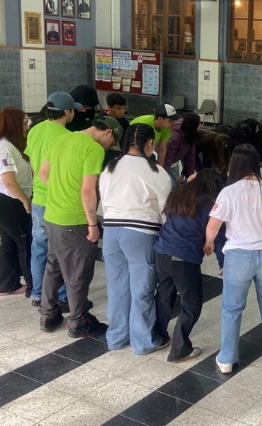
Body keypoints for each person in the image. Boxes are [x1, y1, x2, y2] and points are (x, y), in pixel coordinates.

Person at [206, 144, 262, 373]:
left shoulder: (229, 192)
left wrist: (209, 242)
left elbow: (214, 224)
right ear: (257, 164)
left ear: (235, 164)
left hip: (238, 257)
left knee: (232, 308)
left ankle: (227, 358)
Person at [37, 117, 123, 337]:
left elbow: (43, 173)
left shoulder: (62, 139)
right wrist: (93, 223)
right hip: (74, 221)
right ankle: (78, 321)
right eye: (112, 141)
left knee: (53, 265)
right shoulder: (93, 149)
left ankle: (48, 315)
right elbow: (88, 190)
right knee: (77, 273)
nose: (109, 146)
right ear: (108, 132)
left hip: (52, 215)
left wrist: (60, 194)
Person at [100, 124, 172, 355]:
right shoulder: (157, 172)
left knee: (118, 285)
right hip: (141, 234)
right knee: (142, 288)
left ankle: (117, 337)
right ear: (150, 143)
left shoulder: (110, 168)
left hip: (111, 232)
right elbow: (166, 212)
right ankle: (142, 341)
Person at [154, 169, 225, 363]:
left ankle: (158, 337)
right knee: (191, 304)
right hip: (183, 259)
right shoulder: (210, 205)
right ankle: (179, 349)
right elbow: (218, 235)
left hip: (162, 252)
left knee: (163, 295)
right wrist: (223, 263)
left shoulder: (178, 194)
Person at [25, 93, 79, 309]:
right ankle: (63, 296)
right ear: (67, 112)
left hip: (38, 197)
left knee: (39, 247)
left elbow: (31, 163)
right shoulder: (65, 135)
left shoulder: (35, 130)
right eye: (73, 109)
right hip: (56, 200)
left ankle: (37, 293)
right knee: (60, 251)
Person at [0, 108, 33, 297]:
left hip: (4, 200)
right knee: (25, 242)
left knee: (9, 243)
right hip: (7, 202)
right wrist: (25, 201)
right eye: (24, 123)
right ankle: (34, 288)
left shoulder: (12, 144)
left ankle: (7, 284)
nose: (27, 127)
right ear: (12, 125)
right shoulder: (4, 146)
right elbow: (8, 181)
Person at [163, 113, 201, 186]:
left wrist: (190, 179)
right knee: (170, 185)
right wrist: (164, 175)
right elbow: (167, 158)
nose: (200, 126)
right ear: (192, 125)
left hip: (173, 163)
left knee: (175, 185)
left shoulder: (191, 135)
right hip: (166, 163)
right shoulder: (175, 136)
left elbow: (191, 159)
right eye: (199, 123)